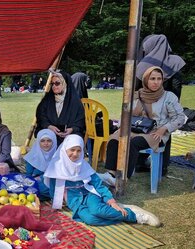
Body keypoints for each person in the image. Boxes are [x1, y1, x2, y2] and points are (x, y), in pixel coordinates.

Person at [44, 134, 160, 226]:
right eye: (72, 150)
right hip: (75, 201)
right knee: (90, 219)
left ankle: (135, 216)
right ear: (64, 150)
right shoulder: (56, 167)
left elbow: (98, 184)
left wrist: (111, 201)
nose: (75, 154)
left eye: (79, 150)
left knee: (97, 210)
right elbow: (54, 188)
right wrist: (56, 203)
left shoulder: (83, 165)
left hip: (90, 194)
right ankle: (117, 212)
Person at [100, 66, 186, 185]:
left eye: (159, 79)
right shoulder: (136, 95)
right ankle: (111, 174)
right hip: (135, 128)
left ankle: (123, 179)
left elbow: (180, 118)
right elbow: (125, 113)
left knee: (133, 144)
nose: (156, 82)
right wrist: (122, 126)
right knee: (114, 139)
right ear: (145, 80)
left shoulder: (168, 97)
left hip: (156, 133)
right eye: (152, 79)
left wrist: (164, 128)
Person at [135, 34, 186, 175]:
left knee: (145, 130)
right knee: (163, 133)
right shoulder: (175, 62)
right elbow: (176, 87)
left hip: (146, 107)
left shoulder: (143, 65)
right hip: (166, 106)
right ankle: (162, 167)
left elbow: (136, 89)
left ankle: (140, 163)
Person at [35, 69, 86, 146]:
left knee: (74, 140)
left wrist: (71, 129)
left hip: (70, 134)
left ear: (65, 84)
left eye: (57, 83)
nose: (54, 86)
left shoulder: (75, 102)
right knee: (45, 137)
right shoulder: (47, 100)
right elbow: (41, 117)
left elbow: (80, 121)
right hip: (49, 132)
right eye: (52, 84)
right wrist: (49, 126)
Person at [24, 129, 57, 200]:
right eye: (42, 141)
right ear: (38, 142)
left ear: (54, 142)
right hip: (36, 182)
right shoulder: (32, 156)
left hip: (52, 182)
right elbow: (28, 175)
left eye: (49, 141)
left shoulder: (57, 156)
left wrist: (43, 177)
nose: (46, 143)